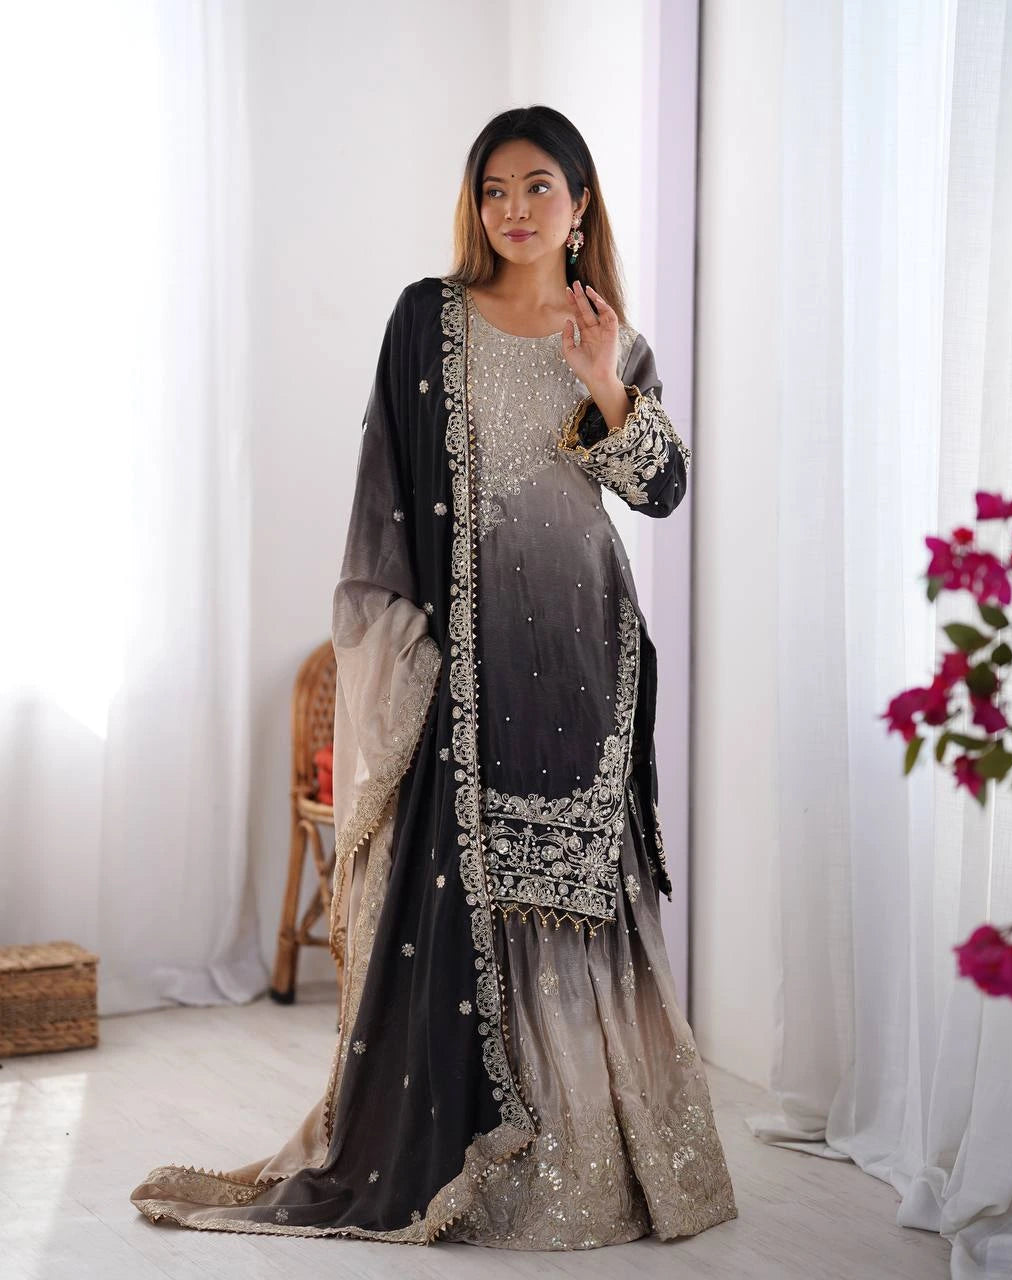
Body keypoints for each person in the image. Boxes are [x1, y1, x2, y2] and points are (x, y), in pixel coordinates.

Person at [130, 104, 739, 1250]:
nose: (512, 210)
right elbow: (383, 495)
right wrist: (413, 652)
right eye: (493, 189)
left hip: (582, 659)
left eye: (536, 188)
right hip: (464, 665)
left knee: (574, 895)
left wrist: (606, 380)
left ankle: (591, 1156)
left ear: (580, 202)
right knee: (458, 892)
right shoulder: (429, 319)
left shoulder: (611, 338)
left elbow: (659, 491)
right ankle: (468, 1151)